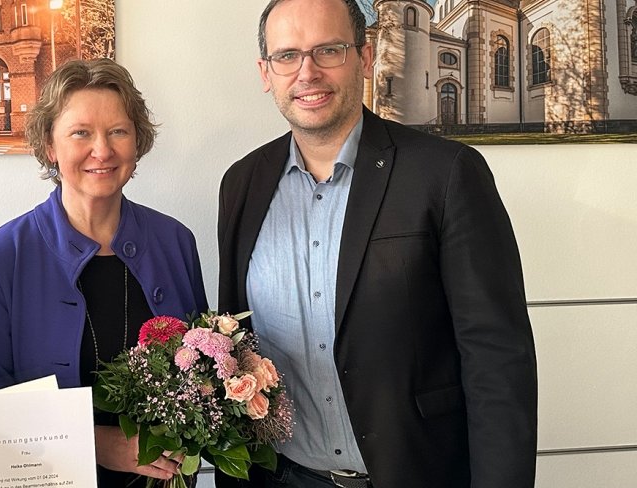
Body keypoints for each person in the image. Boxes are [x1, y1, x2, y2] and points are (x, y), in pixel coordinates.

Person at [216, 0, 538, 487]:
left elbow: (496, 357)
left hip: (417, 474)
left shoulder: (446, 173)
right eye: (287, 55)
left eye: (328, 50)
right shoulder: (242, 184)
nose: (307, 72)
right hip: (283, 476)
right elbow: (234, 343)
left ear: (364, 57)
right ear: (266, 72)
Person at [0, 58, 209, 487]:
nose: (103, 150)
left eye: (118, 131)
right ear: (50, 146)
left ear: (137, 142)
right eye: (81, 133)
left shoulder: (175, 241)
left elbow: (204, 369)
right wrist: (97, 445)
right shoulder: (4, 255)